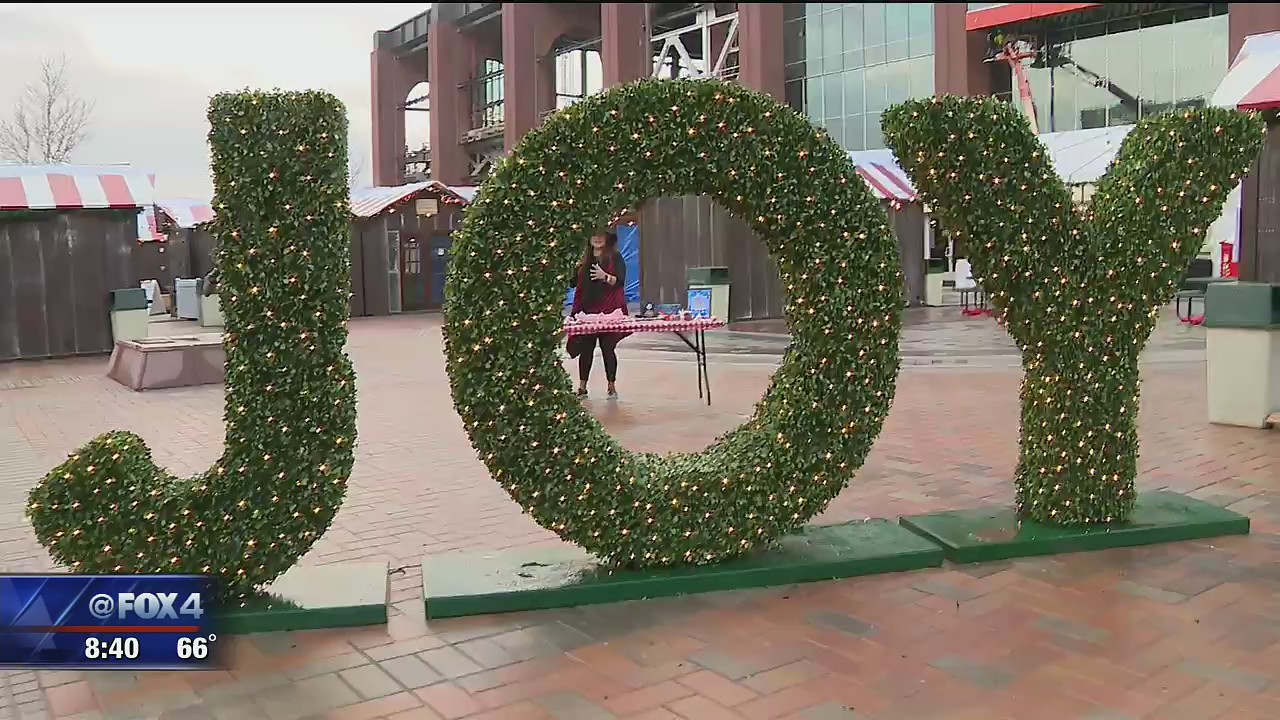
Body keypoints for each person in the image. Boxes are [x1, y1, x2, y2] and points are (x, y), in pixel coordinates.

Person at [567, 230, 629, 398]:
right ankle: (582, 386)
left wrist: (605, 276)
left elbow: (620, 281)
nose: (597, 238)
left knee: (608, 349)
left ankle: (611, 385)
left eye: (601, 235)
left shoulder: (615, 257)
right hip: (587, 312)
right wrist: (572, 267)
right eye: (594, 235)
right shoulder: (583, 260)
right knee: (586, 349)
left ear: (607, 237)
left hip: (609, 311)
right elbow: (572, 282)